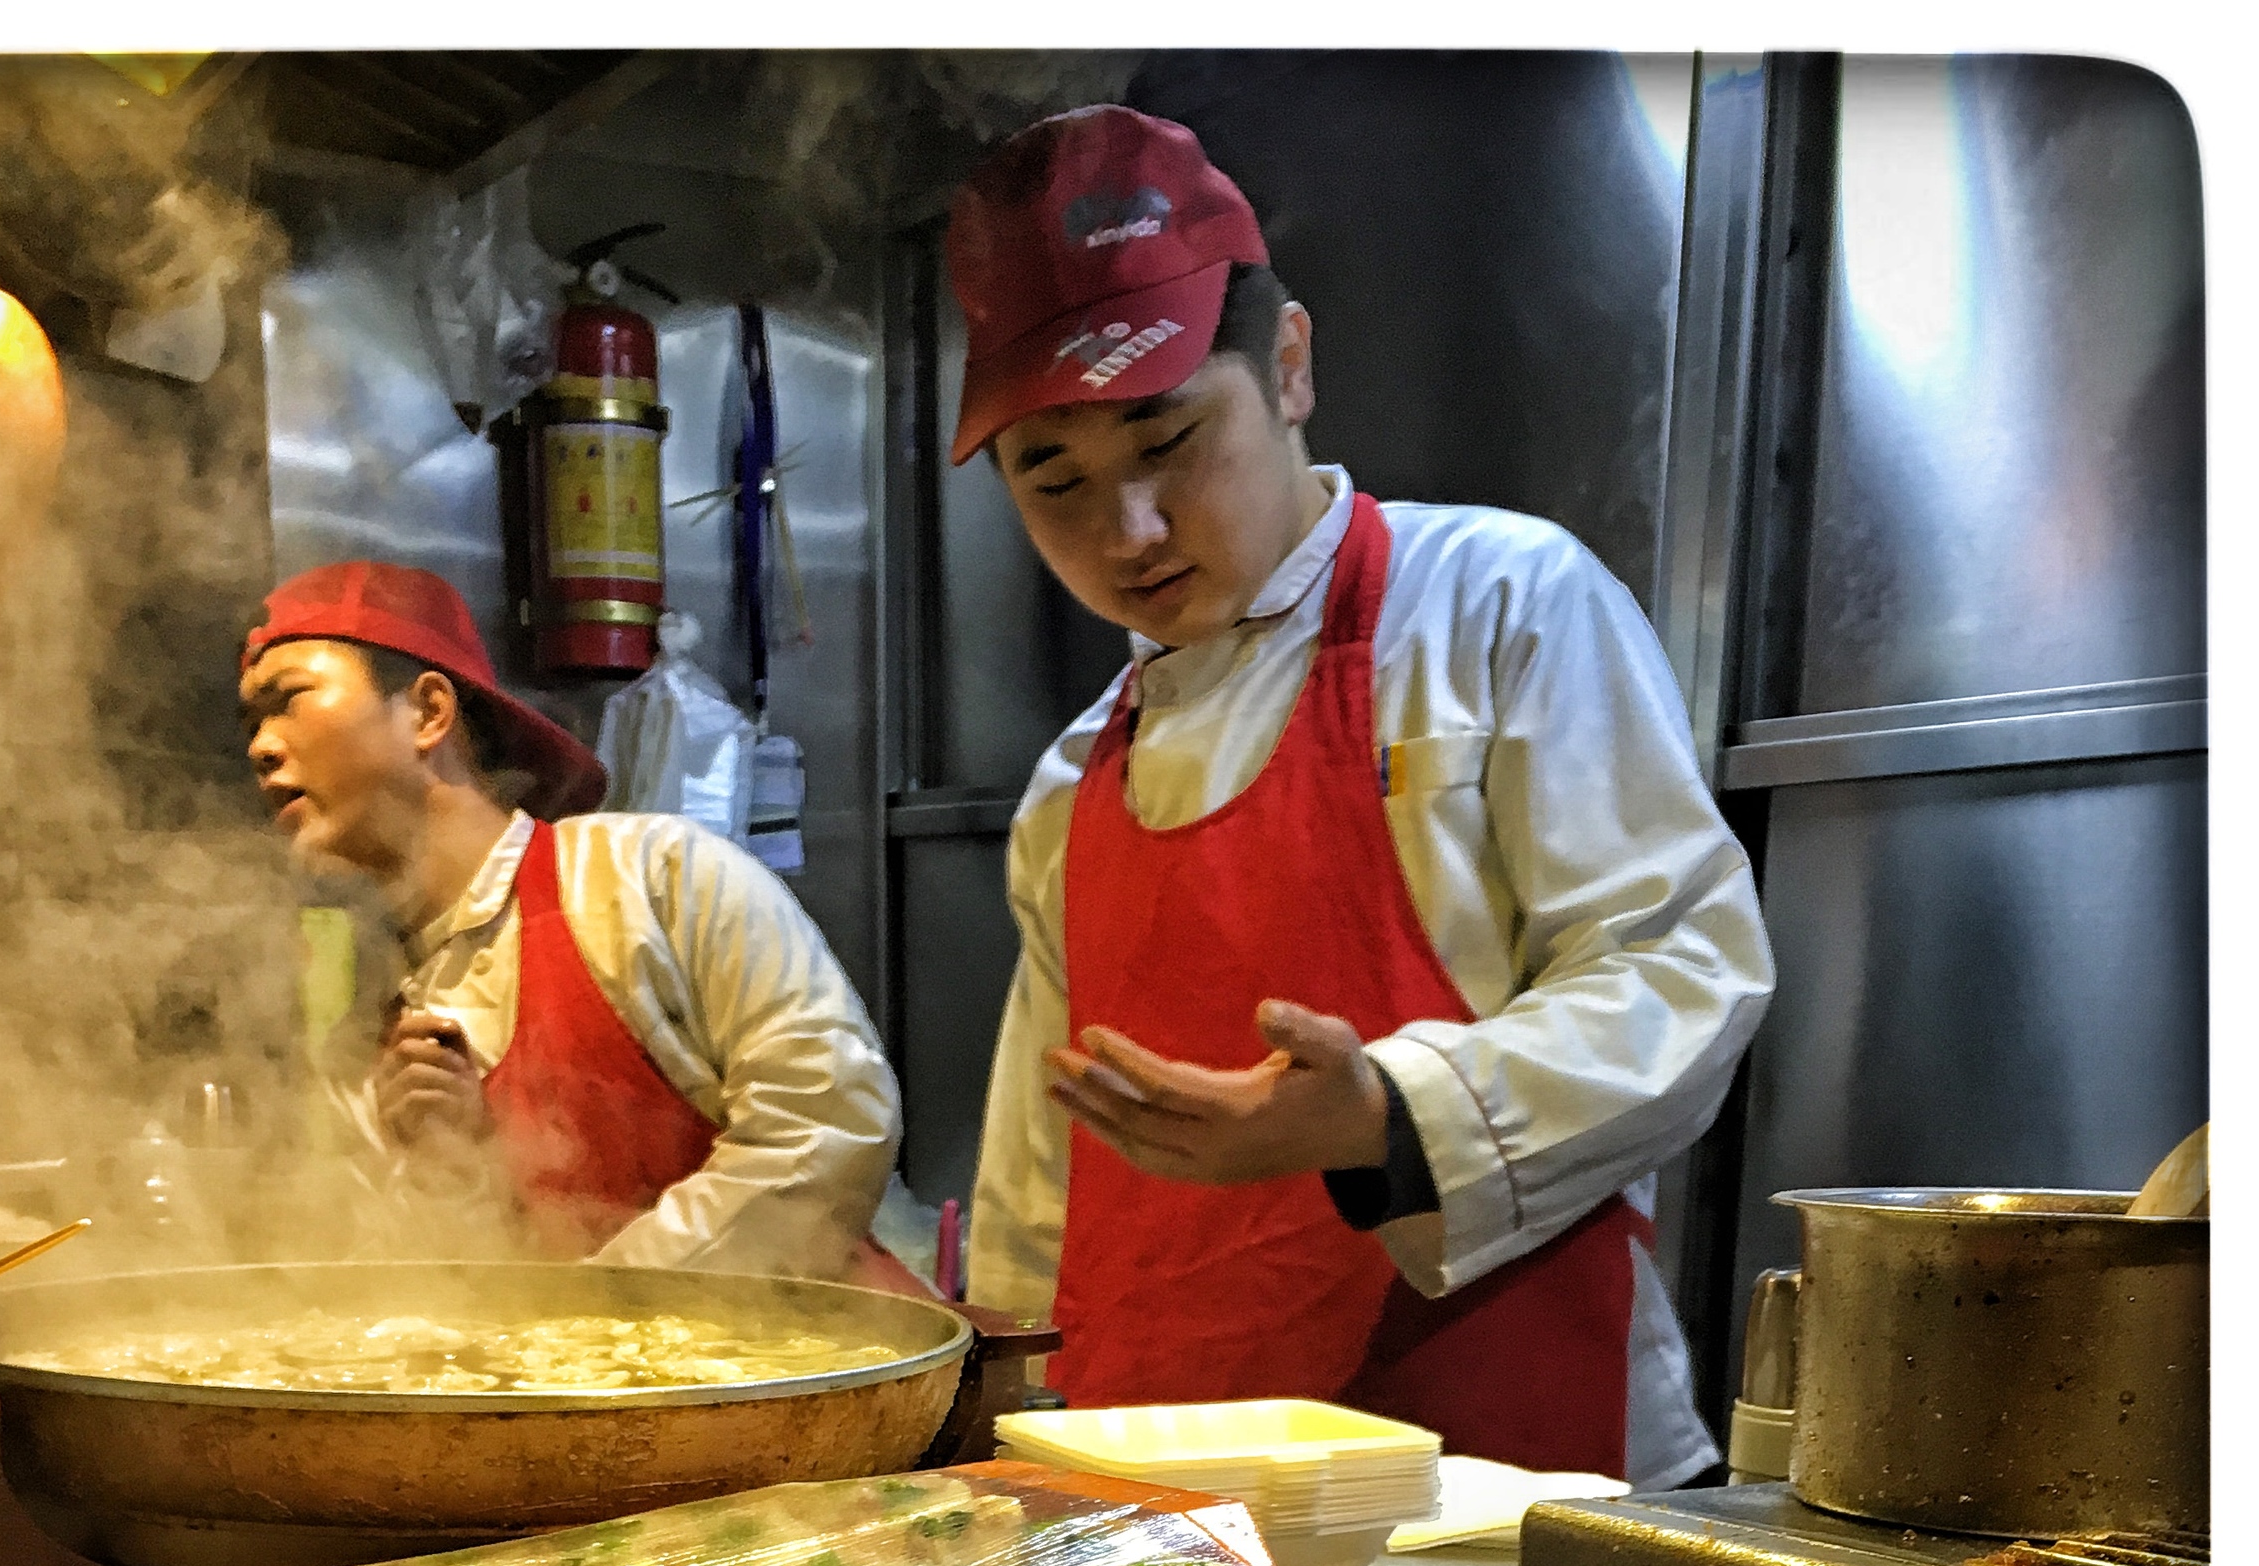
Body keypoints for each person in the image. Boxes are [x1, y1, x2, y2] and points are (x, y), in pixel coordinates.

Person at [950, 106, 1775, 1483]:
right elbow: (1044, 1175)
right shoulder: (1068, 783)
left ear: (1286, 365)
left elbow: (1684, 965)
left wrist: (1385, 1117)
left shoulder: (1500, 606)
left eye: (1167, 441)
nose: (1129, 531)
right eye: (1057, 479)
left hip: (1499, 1470)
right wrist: (996, 1408)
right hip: (1170, 1495)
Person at [239, 562, 906, 1278]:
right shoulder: (368, 1024)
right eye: (251, 722)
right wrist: (459, 1174)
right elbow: (431, 1301)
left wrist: (596, 1319)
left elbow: (829, 1128)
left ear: (429, 711)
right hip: (572, 1390)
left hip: (818, 1374)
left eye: (290, 700)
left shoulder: (655, 881)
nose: (261, 746)